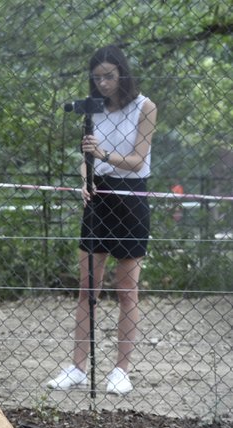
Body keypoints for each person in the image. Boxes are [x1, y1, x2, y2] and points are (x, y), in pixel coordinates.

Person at [47, 45, 157, 395]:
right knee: (87, 290)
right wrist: (85, 179)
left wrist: (103, 154)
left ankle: (121, 370)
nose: (104, 83)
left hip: (131, 196)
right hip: (98, 198)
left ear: (122, 74)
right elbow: (86, 156)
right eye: (97, 78)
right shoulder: (93, 109)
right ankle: (78, 367)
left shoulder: (145, 107)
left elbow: (138, 160)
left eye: (109, 76)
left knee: (127, 290)